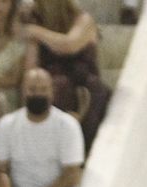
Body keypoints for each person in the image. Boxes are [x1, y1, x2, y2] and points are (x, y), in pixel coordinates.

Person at [0, 66, 81, 187]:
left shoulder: (67, 125)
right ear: (23, 91)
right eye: (32, 89)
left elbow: (71, 175)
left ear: (52, 92)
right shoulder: (6, 125)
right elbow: (1, 170)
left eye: (43, 89)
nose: (38, 94)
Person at [19, 0, 106, 147]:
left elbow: (69, 44)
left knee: (87, 90)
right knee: (49, 87)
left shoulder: (84, 20)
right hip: (53, 87)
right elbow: (30, 68)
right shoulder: (35, 21)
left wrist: (34, 31)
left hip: (84, 84)